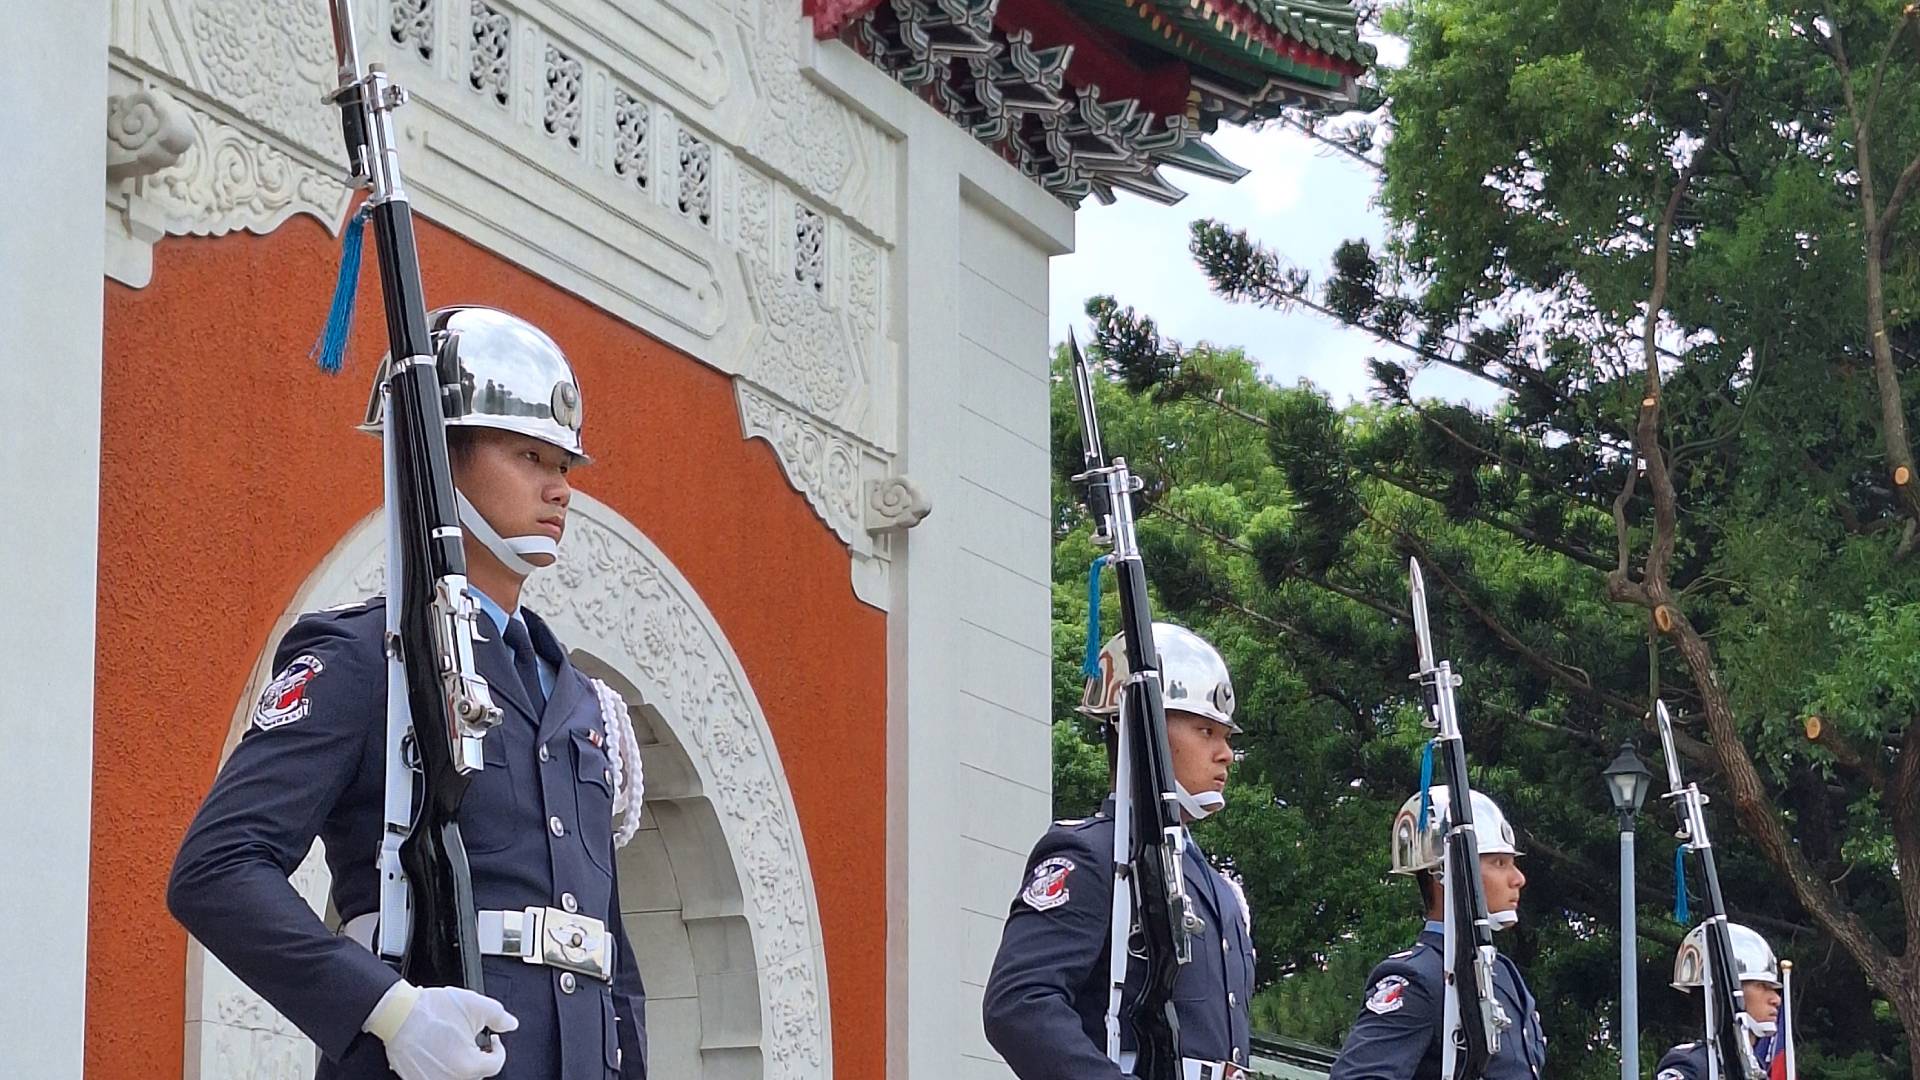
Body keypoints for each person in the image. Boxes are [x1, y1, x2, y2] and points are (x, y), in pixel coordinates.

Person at [168, 306, 648, 1080]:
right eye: (529, 455)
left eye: (565, 466)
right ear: (435, 460)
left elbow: (608, 955)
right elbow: (218, 869)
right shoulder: (366, 659)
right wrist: (391, 1013)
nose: (560, 489)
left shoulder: (585, 706)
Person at [983, 623, 1257, 1080]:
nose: (1225, 752)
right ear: (1142, 729)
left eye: (1226, 736)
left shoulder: (1219, 888)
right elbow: (1020, 1003)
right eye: (1206, 730)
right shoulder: (1091, 855)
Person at [1328, 787, 1546, 1079]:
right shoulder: (1418, 979)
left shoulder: (1504, 974)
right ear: (1448, 873)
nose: (1518, 878)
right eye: (1498, 863)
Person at [1653, 923, 1784, 1080]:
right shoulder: (1691, 1066)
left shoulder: (1756, 1068)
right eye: (1762, 986)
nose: (1776, 999)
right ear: (1723, 994)